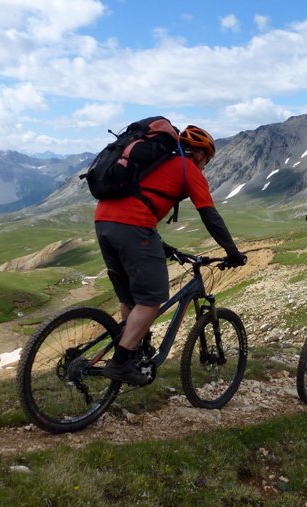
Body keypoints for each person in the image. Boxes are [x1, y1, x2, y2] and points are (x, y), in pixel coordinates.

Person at [96, 124, 247, 385]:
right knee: (152, 299)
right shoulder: (188, 167)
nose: (205, 165)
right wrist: (232, 252)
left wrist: (163, 247)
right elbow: (210, 215)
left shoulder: (157, 164)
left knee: (130, 298)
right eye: (207, 160)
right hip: (133, 225)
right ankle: (120, 362)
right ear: (200, 154)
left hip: (103, 222)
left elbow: (140, 201)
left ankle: (131, 351)